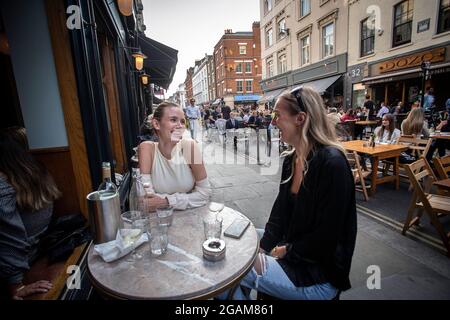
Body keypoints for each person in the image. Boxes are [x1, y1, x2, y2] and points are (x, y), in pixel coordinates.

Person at [218, 87, 357, 300]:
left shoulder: (332, 163)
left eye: (277, 116)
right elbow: (279, 215)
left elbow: (327, 237)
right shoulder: (292, 159)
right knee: (238, 240)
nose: (272, 122)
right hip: (291, 248)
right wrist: (263, 247)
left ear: (300, 118)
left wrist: (283, 251)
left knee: (228, 270)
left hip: (317, 272)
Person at [0, 127, 60, 299]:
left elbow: (10, 238)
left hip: (22, 262)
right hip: (37, 249)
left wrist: (16, 286)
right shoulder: (37, 171)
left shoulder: (3, 185)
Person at [138, 103, 211, 212]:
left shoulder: (189, 146)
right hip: (160, 221)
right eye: (173, 120)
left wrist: (166, 202)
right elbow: (145, 199)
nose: (180, 126)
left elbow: (205, 193)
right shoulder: (147, 148)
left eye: (182, 121)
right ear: (157, 124)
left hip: (191, 218)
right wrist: (187, 199)